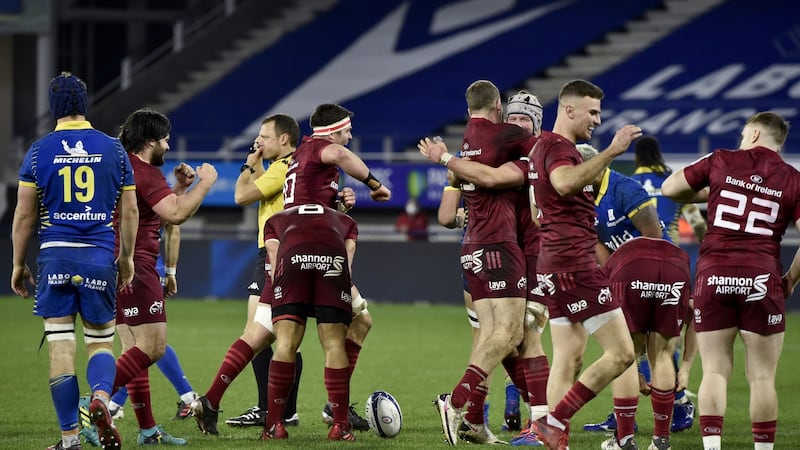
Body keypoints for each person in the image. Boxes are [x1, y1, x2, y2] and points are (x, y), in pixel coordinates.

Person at [11, 72, 138, 450]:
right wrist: (126, 257)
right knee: (100, 344)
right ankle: (101, 397)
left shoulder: (38, 150)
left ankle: (69, 439)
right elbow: (130, 210)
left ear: (54, 108)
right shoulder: (114, 149)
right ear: (85, 105)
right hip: (100, 257)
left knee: (61, 346)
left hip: (55, 257)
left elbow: (23, 215)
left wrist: (18, 264)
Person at [661, 111, 800, 450]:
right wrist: (791, 279)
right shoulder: (793, 179)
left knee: (715, 372)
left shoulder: (721, 159)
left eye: (742, 134)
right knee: (763, 376)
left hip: (714, 274)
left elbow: (670, 188)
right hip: (761, 276)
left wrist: (717, 190)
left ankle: (712, 448)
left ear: (752, 134)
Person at [522, 79, 641, 450]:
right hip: (574, 264)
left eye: (599, 113)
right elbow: (562, 183)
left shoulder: (540, 146)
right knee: (622, 353)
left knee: (568, 358)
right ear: (569, 109)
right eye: (592, 111)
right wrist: (612, 151)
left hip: (552, 261)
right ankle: (553, 423)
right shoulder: (560, 148)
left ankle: (552, 437)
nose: (597, 119)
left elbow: (538, 212)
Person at [419, 80, 538, 446]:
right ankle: (456, 402)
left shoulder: (465, 147)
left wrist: (447, 161)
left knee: (495, 338)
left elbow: (445, 215)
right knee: (515, 334)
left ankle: (478, 421)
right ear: (498, 105)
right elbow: (548, 150)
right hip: (501, 247)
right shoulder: (505, 137)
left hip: (471, 249)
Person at [190, 114, 310, 435]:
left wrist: (246, 164)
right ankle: (280, 411)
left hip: (273, 255)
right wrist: (258, 164)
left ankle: (267, 409)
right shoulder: (286, 168)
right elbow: (263, 187)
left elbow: (241, 195)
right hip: (281, 253)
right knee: (280, 338)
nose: (258, 142)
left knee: (260, 336)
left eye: (264, 137)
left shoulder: (284, 168)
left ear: (283, 139)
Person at [282, 103, 391, 434]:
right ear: (332, 132)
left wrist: (338, 203)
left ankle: (276, 420)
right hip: (316, 255)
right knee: (336, 333)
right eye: (346, 130)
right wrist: (373, 183)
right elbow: (342, 157)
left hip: (292, 248)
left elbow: (313, 200)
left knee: (281, 338)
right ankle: (334, 411)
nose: (350, 136)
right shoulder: (322, 149)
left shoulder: (303, 155)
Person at [110, 108, 217, 445]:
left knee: (133, 351)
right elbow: (176, 214)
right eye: (166, 139)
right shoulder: (144, 170)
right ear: (150, 140)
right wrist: (205, 183)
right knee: (152, 347)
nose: (169, 147)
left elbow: (150, 211)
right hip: (137, 266)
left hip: (112, 263)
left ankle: (147, 430)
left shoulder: (121, 165)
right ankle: (95, 400)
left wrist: (178, 187)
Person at [575, 143, 687, 450]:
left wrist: (628, 278)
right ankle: (659, 439)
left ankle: (624, 437)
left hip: (653, 267)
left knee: (626, 356)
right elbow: (602, 255)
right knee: (653, 354)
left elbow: (655, 237)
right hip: (649, 271)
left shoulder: (625, 187)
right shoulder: (583, 194)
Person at [261, 203, 359, 441]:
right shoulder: (345, 220)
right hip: (331, 259)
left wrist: (281, 292)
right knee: (334, 344)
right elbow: (347, 264)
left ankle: (274, 425)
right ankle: (340, 426)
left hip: (292, 259)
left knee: (285, 343)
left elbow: (274, 260)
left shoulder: (277, 218)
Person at [106, 230, 199, 421]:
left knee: (146, 343)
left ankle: (110, 402)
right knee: (133, 344)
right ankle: (116, 404)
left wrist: (170, 271)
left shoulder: (140, 201)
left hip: (141, 266)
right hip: (119, 264)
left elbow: (174, 224)